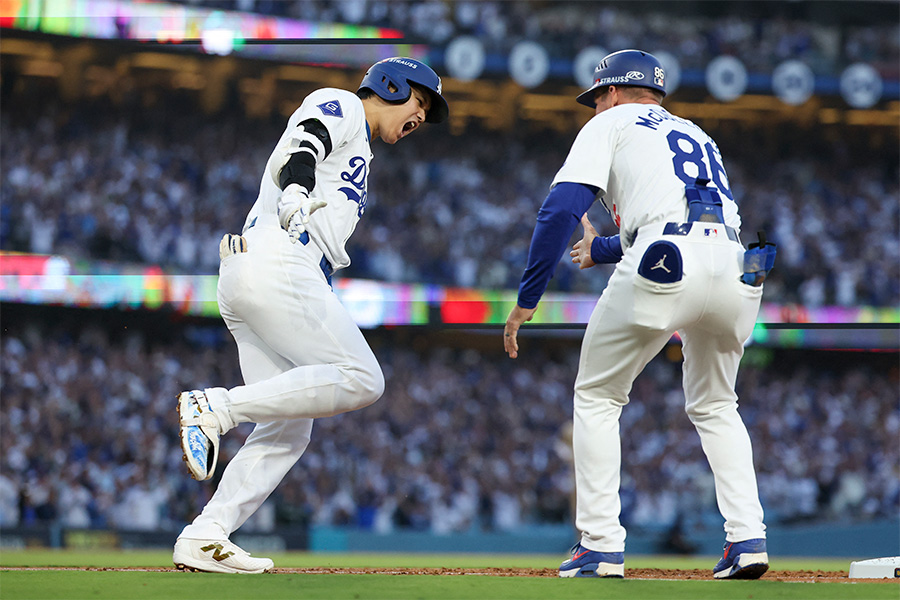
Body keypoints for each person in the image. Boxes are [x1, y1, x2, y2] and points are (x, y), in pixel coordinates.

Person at [503, 49, 773, 580]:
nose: (594, 107)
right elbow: (682, 214)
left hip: (667, 263)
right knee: (718, 405)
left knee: (598, 396)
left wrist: (527, 300)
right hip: (739, 268)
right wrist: (600, 250)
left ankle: (600, 545)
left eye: (596, 97)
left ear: (614, 93)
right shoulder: (696, 132)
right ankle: (748, 540)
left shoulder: (612, 122)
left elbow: (558, 210)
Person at [173, 57, 449, 574]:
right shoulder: (344, 103)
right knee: (364, 378)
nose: (420, 117)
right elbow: (307, 139)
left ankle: (205, 533)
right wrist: (297, 190)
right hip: (279, 258)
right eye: (420, 101)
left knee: (289, 428)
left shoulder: (364, 146)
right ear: (390, 86)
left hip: (257, 272)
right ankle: (217, 408)